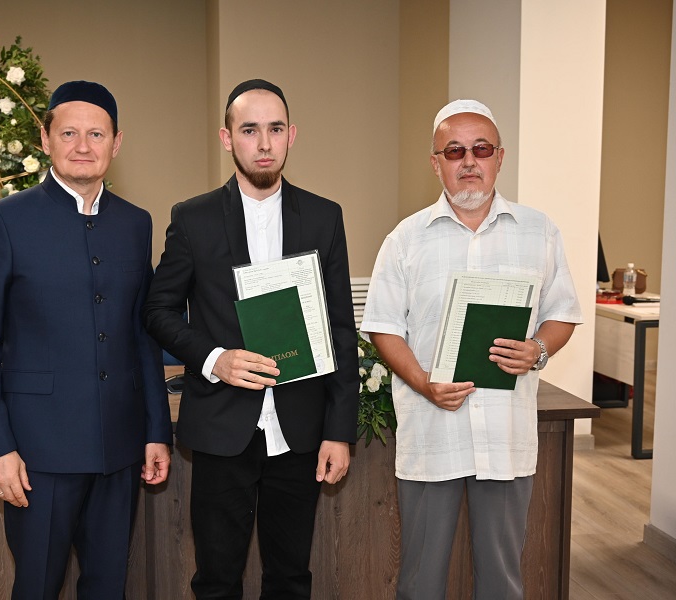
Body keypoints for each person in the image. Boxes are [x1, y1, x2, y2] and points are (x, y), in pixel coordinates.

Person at [143, 79, 359, 599]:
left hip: (300, 430)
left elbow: (340, 327)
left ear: (291, 136)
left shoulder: (324, 216)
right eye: (249, 130)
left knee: (291, 579)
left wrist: (339, 431)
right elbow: (157, 309)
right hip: (222, 428)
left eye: (275, 129)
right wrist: (213, 358)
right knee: (217, 580)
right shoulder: (192, 218)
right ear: (227, 138)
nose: (264, 143)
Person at [360, 99, 583, 600]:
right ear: (435, 162)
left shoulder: (539, 231)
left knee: (502, 581)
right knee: (419, 581)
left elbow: (563, 312)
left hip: (505, 433)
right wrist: (423, 384)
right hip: (432, 431)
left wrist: (538, 349)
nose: (468, 161)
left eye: (481, 149)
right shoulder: (406, 239)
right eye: (454, 150)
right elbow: (383, 327)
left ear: (499, 157)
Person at [0, 80, 172, 600]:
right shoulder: (4, 221)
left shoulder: (136, 223)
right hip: (37, 456)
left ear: (116, 143)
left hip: (119, 449)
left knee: (109, 588)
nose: (82, 146)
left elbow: (141, 335)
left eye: (96, 134)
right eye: (69, 133)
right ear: (45, 139)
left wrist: (155, 430)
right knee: (36, 587)